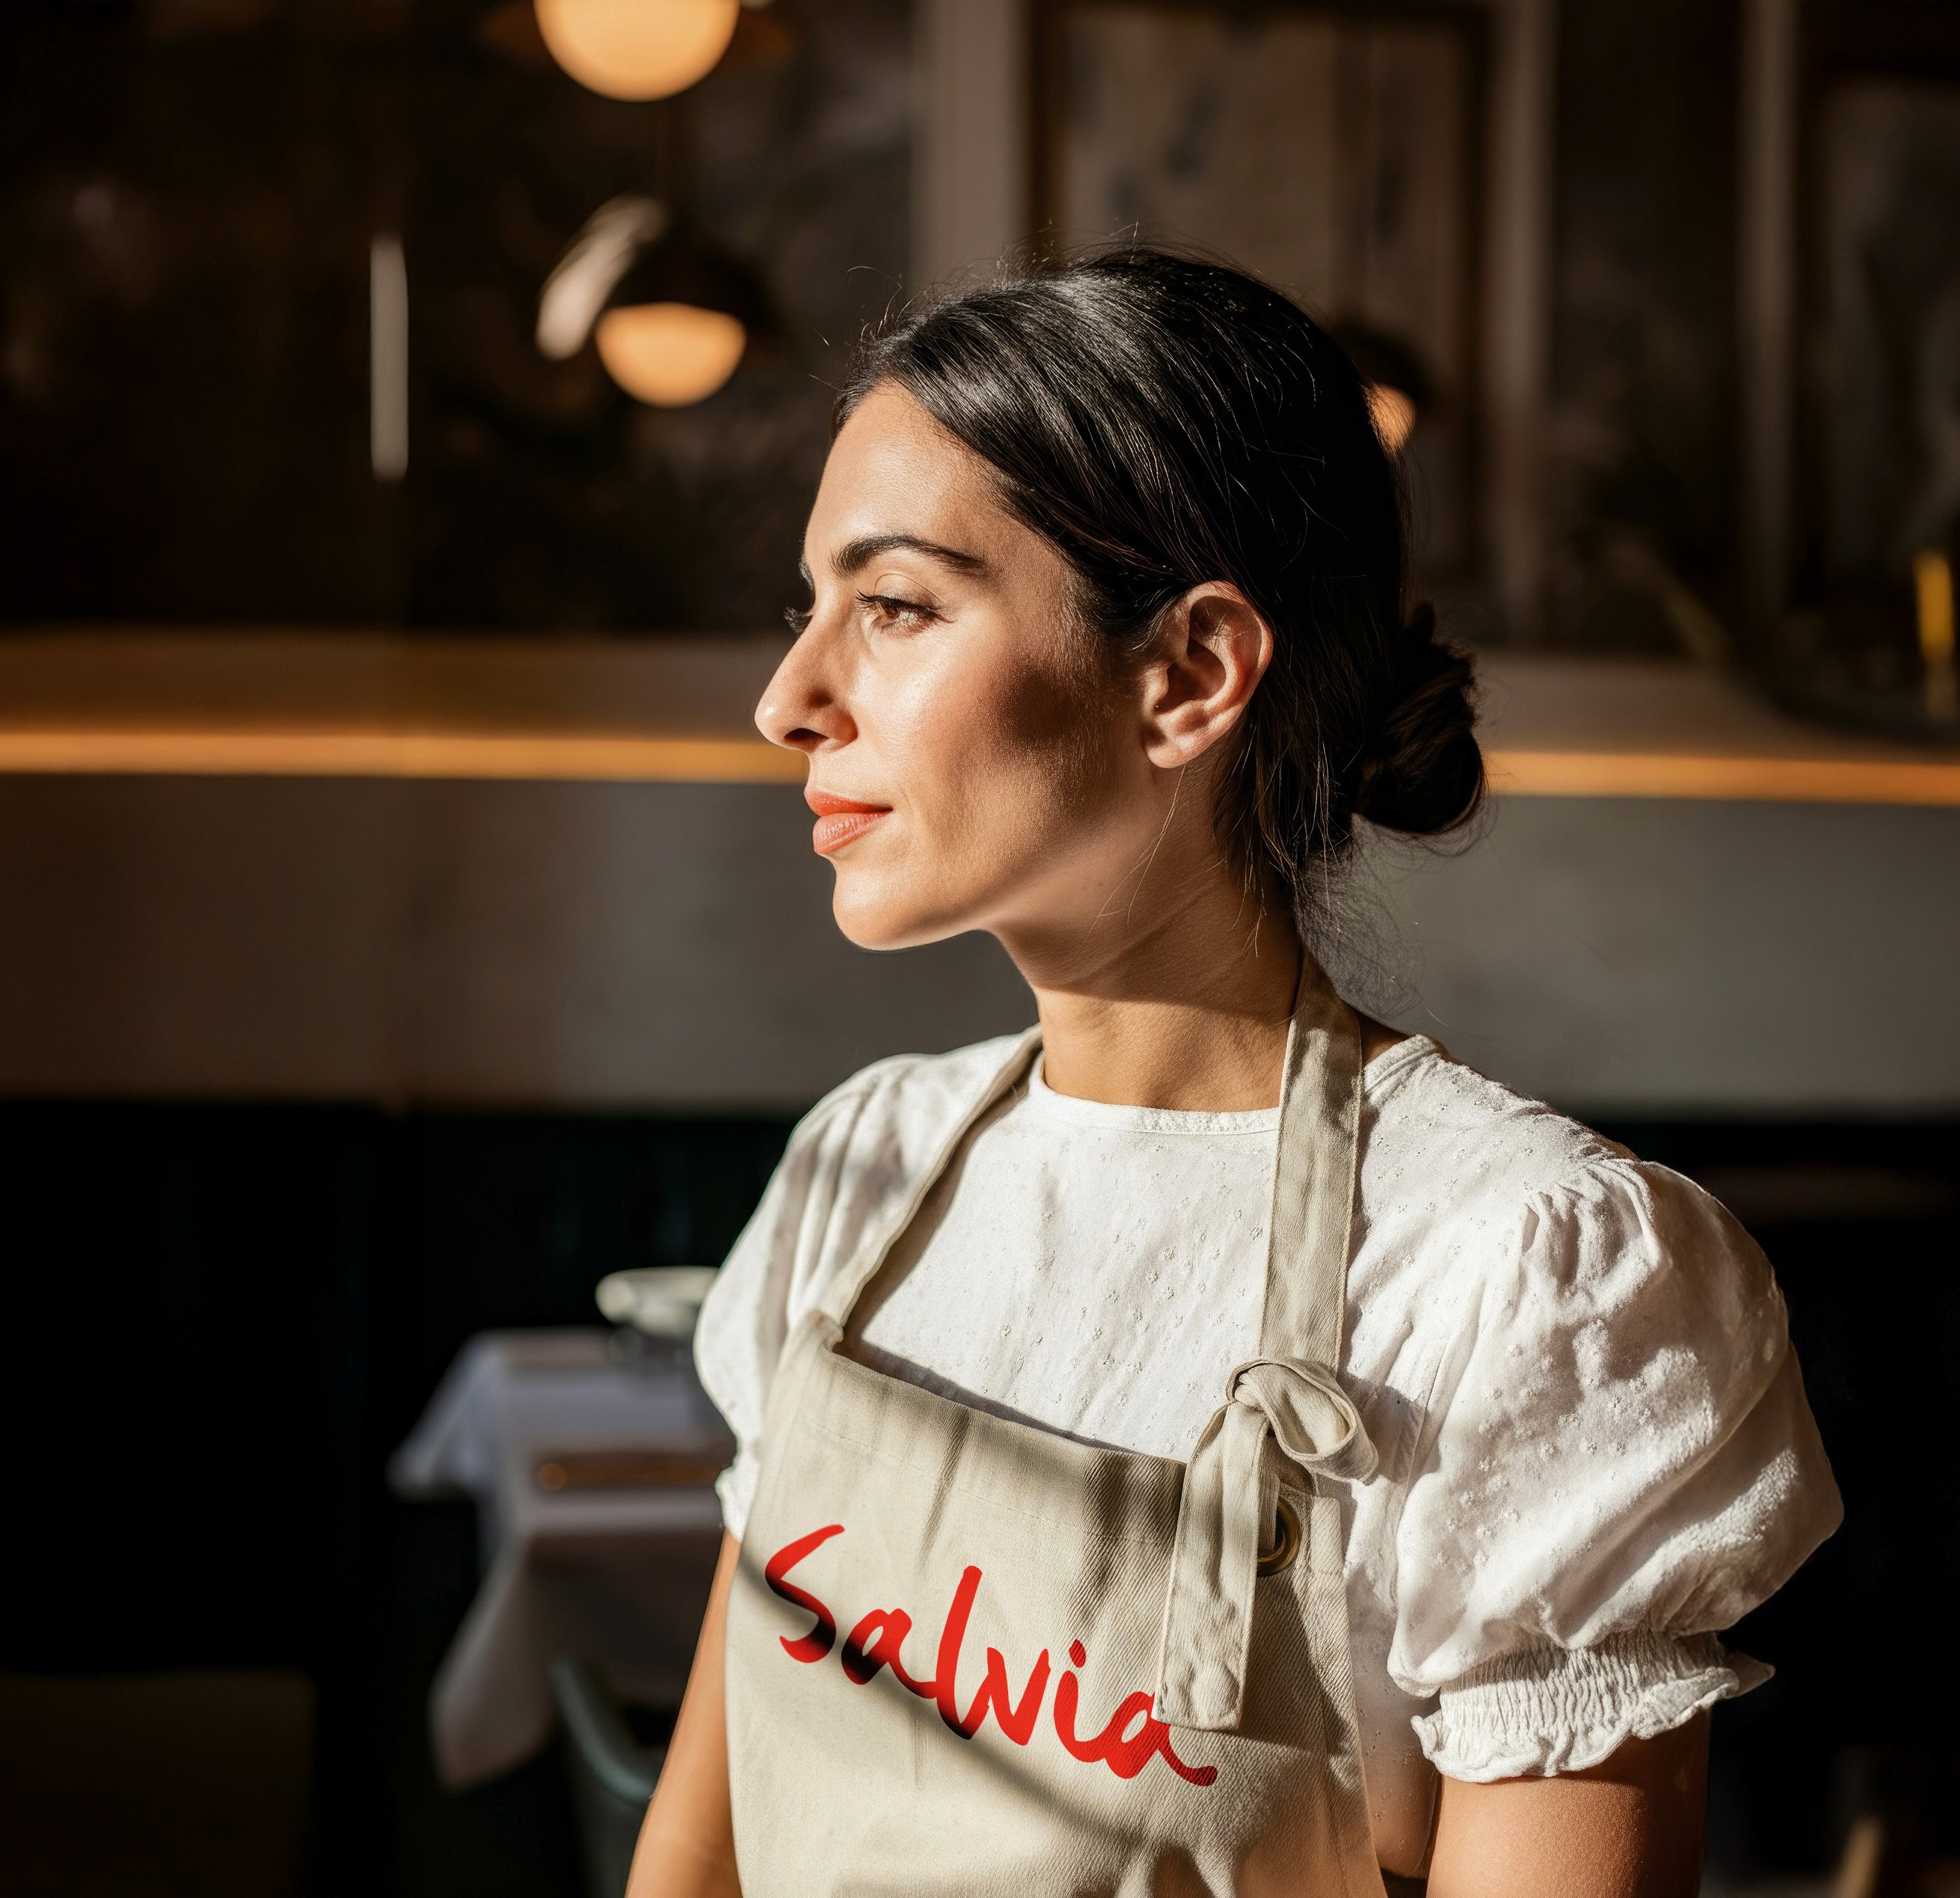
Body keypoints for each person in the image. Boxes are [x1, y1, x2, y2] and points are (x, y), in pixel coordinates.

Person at [629, 248, 1840, 1898]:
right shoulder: (869, 1166)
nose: (789, 698)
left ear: (1189, 672)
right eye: (808, 609)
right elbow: (695, 1857)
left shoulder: (1524, 1277)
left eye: (893, 606)